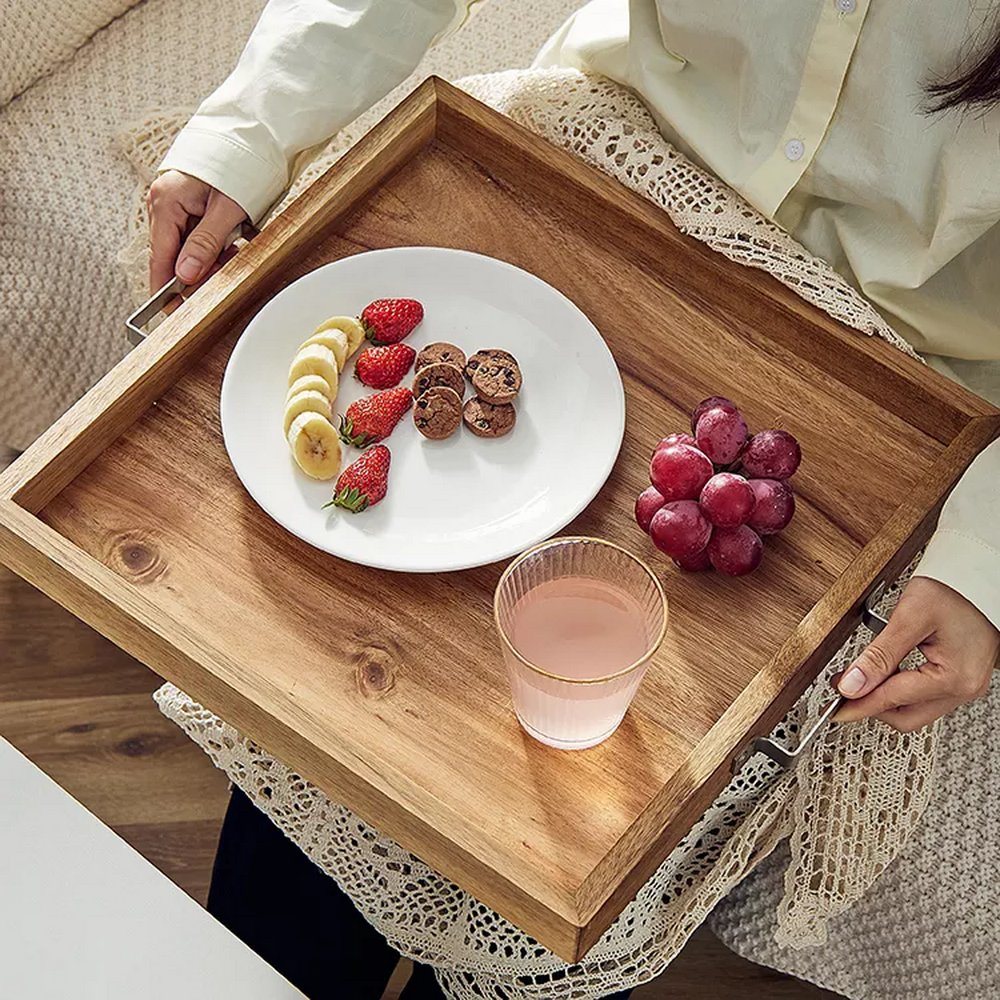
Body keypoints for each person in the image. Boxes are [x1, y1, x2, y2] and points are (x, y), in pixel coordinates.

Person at [148, 2, 1000, 997]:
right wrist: (243, 134)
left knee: (599, 799)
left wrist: (983, 563)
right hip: (591, 176)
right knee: (352, 680)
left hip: (876, 367)